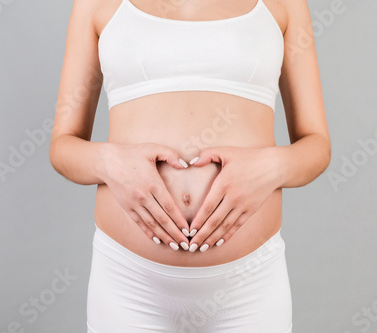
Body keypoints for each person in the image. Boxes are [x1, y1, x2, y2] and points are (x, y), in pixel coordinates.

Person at [49, 0, 330, 331]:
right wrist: (109, 162)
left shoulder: (285, 4)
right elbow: (62, 145)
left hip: (249, 285)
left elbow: (317, 145)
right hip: (129, 282)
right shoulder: (94, 4)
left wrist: (272, 166)